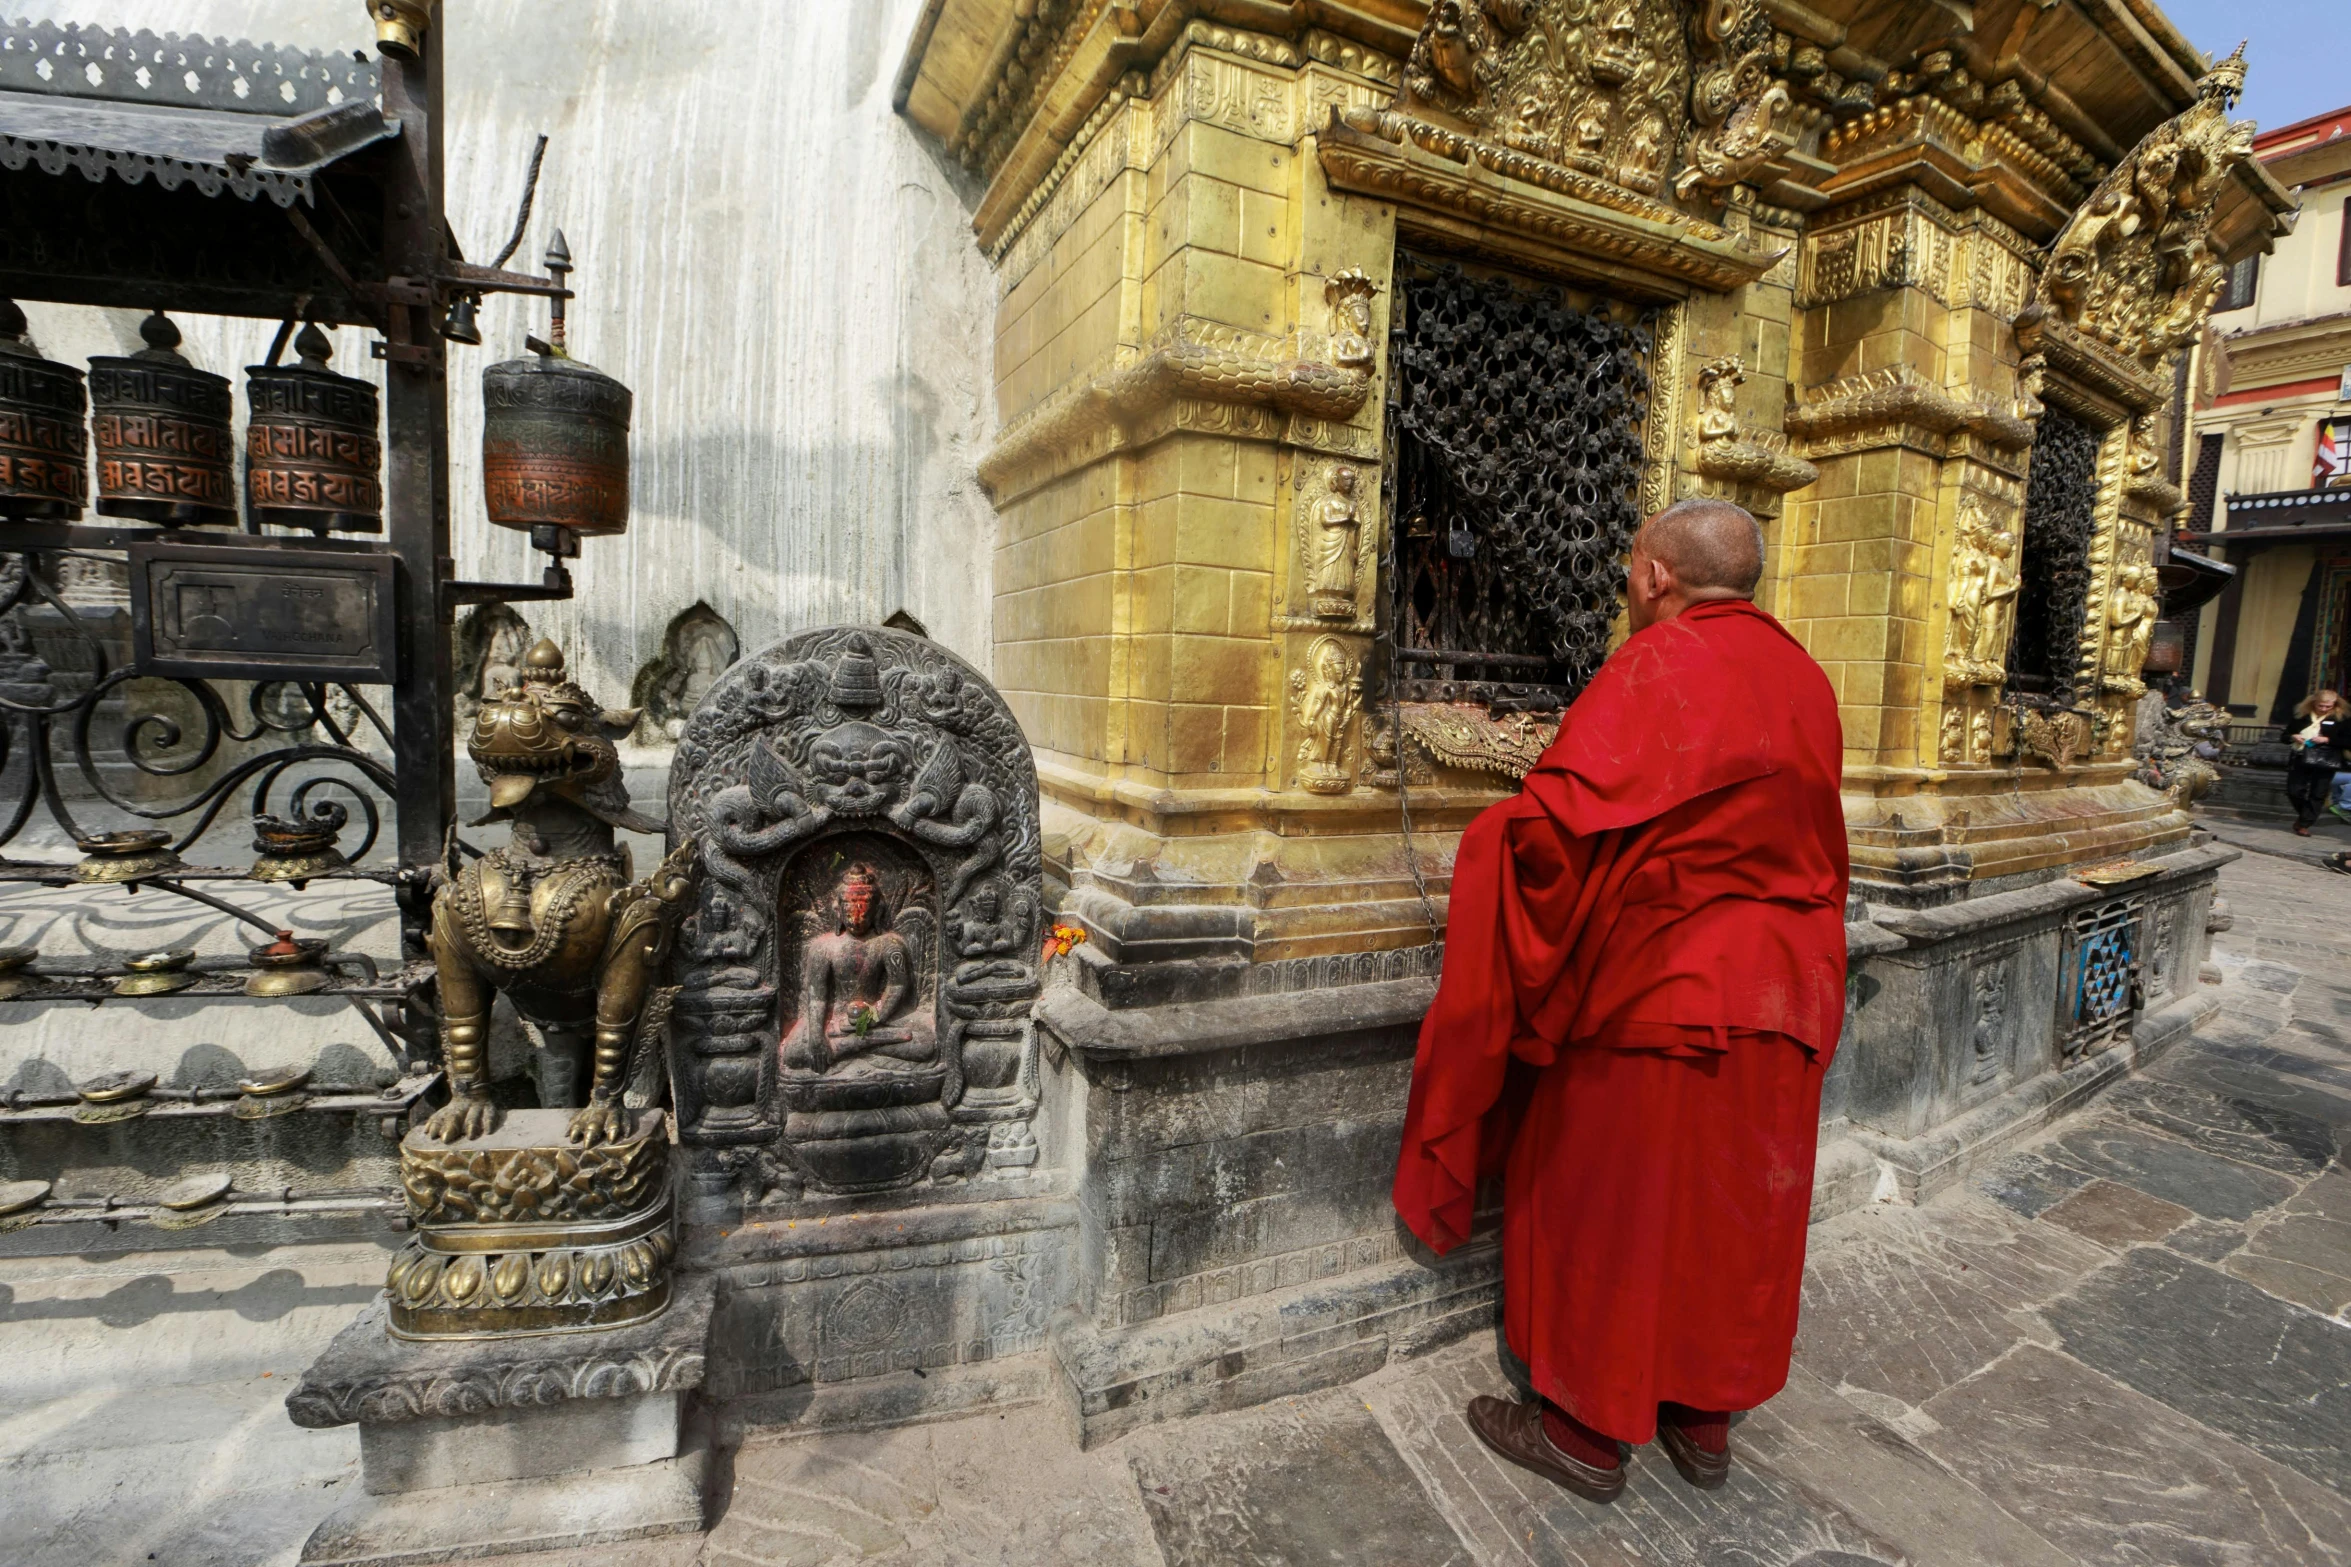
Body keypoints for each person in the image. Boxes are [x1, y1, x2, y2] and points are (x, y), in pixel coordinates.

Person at [1392, 497, 1847, 1501]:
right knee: (1730, 1214)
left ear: (1651, 576)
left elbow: (1556, 838)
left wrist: (1487, 844)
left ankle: (1585, 1435)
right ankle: (1701, 1419)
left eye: (1626, 580)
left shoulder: (1656, 664)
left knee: (1613, 1214)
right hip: (1785, 993)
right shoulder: (1806, 680)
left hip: (1661, 991)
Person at [2284, 689, 2345, 836]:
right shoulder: (2302, 716)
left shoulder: (2341, 719)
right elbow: (2284, 736)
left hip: (2326, 759)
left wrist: (2328, 739)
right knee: (2294, 790)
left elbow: (2347, 740)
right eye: (2320, 706)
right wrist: (2293, 737)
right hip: (2301, 757)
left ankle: (2304, 823)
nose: (2323, 709)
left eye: (2328, 707)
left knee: (2318, 792)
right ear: (2313, 703)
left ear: (2335, 705)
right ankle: (2306, 814)